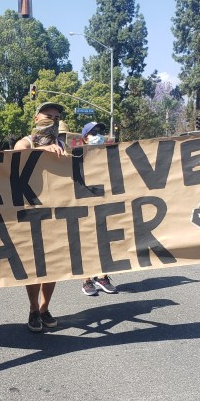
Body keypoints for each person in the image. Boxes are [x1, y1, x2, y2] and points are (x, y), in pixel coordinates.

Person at [14, 102, 67, 332]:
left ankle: (45, 308)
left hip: (58, 213)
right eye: (48, 115)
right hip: (31, 213)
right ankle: (33, 309)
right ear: (36, 119)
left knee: (53, 266)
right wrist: (41, 152)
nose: (52, 120)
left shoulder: (63, 145)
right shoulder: (26, 142)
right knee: (34, 266)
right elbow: (15, 157)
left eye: (56, 117)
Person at [79, 121, 118, 296]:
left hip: (105, 203)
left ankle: (102, 277)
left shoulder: (110, 155)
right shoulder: (76, 156)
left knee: (106, 241)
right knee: (86, 242)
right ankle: (87, 280)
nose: (98, 135)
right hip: (83, 206)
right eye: (93, 132)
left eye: (100, 131)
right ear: (85, 138)